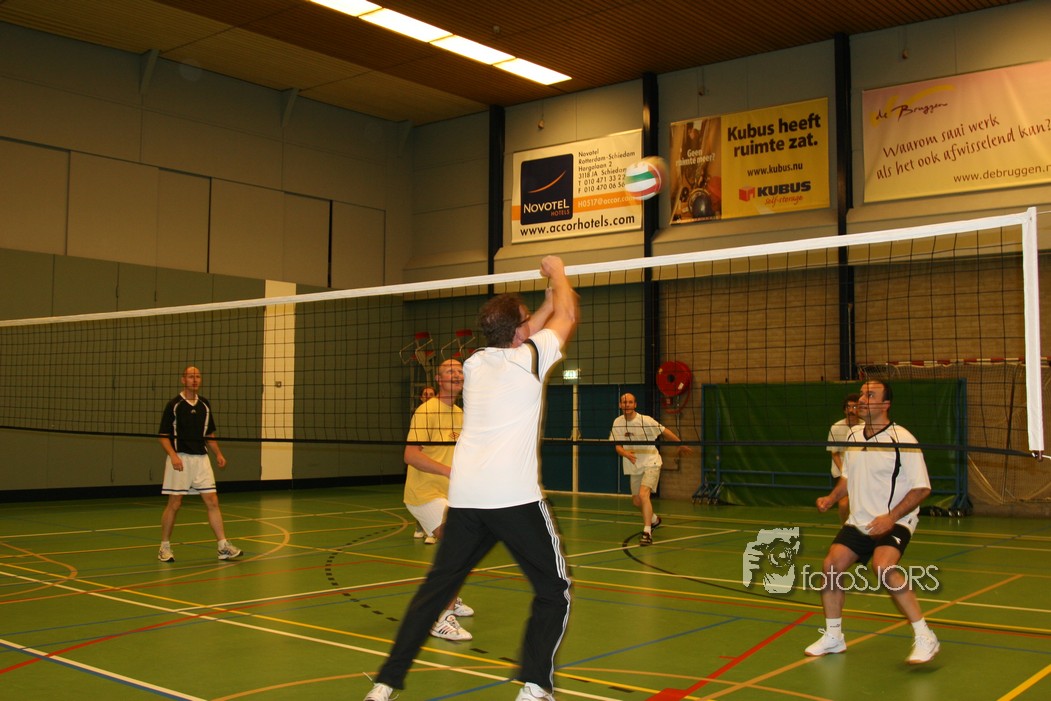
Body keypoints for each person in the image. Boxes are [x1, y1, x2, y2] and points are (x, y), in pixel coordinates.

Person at [363, 255, 578, 701]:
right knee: (554, 591)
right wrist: (557, 273)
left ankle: (385, 684)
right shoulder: (530, 359)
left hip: (466, 498)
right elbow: (568, 315)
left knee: (435, 591)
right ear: (520, 332)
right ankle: (535, 686)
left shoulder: (476, 362)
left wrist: (542, 303)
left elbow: (528, 327)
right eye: (527, 322)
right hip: (513, 499)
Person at [805, 379, 940, 665]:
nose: (862, 400)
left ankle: (925, 635)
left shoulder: (902, 439)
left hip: (896, 519)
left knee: (883, 567)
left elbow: (922, 488)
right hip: (860, 520)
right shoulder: (853, 435)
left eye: (870, 395)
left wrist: (890, 518)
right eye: (862, 394)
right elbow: (847, 477)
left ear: (885, 404)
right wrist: (832, 498)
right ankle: (834, 636)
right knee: (831, 566)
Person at [403, 358, 475, 640]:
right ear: (439, 379)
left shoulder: (460, 413)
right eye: (449, 370)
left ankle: (450, 600)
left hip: (452, 493)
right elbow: (411, 455)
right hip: (425, 493)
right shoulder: (426, 411)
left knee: (463, 546)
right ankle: (441, 617)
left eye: (459, 370)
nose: (456, 374)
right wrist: (448, 471)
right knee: (457, 544)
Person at [157, 366, 242, 562]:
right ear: (183, 380)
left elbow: (208, 433)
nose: (194, 380)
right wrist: (173, 456)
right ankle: (164, 547)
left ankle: (223, 546)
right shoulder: (174, 405)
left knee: (212, 501)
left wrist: (218, 453)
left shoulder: (205, 404)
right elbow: (163, 436)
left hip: (201, 459)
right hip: (180, 459)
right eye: (190, 376)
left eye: (197, 376)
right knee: (175, 503)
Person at [609, 393, 691, 546]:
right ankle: (654, 520)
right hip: (634, 465)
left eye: (630, 402)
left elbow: (664, 431)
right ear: (620, 405)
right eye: (624, 402)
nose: (627, 405)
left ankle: (647, 533)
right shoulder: (617, 422)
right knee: (636, 501)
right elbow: (617, 446)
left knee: (643, 494)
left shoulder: (645, 420)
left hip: (651, 462)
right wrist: (625, 453)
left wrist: (679, 443)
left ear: (635, 405)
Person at [825, 392, 861, 524]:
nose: (851, 410)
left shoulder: (865, 426)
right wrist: (844, 472)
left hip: (860, 471)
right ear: (845, 410)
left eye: (855, 407)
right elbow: (834, 453)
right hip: (841, 471)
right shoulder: (836, 428)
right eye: (848, 407)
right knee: (843, 504)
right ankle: (845, 527)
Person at [412, 384, 436, 540]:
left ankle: (432, 531)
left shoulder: (440, 413)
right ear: (421, 398)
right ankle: (420, 526)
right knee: (420, 494)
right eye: (425, 395)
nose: (428, 397)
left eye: (431, 394)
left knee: (434, 494)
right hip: (420, 459)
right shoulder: (418, 414)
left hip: (436, 458)